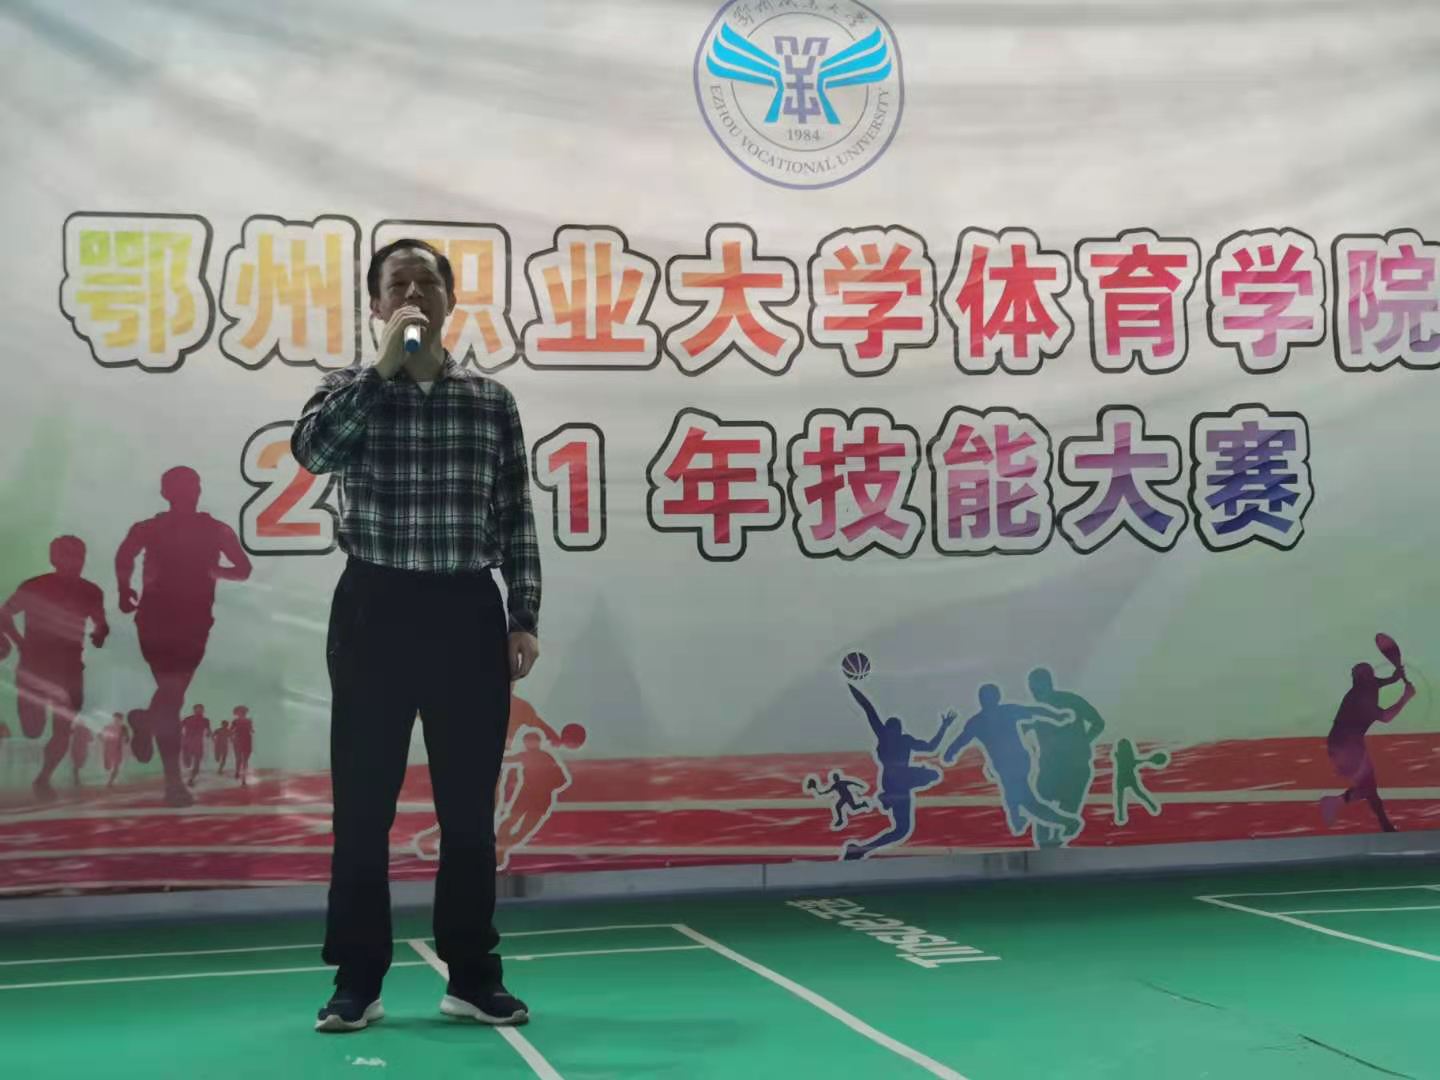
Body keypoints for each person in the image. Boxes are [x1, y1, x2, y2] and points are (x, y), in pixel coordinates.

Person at [292, 238, 541, 1034]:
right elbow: (311, 452)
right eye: (396, 283)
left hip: (466, 611)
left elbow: (515, 512)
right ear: (375, 305)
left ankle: (472, 975)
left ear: (448, 300)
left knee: (467, 810)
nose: (412, 293)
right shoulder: (347, 390)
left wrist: (523, 613)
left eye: (425, 282)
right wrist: (383, 371)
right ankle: (357, 981)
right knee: (364, 805)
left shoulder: (491, 401)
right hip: (375, 607)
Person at [116, 467, 251, 807]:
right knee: (173, 696)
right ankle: (173, 782)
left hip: (189, 621)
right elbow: (125, 554)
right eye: (182, 485)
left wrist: (214, 571)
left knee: (170, 696)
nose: (189, 490)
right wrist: (123, 588)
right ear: (166, 492)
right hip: (162, 620)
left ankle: (148, 723)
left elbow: (243, 568)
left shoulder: (213, 529)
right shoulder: (154, 527)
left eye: (192, 484)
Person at [0, 536, 109, 803]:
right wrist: (19, 642)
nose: (74, 562)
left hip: (70, 669)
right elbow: (4, 614)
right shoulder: (34, 586)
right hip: (34, 667)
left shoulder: (91, 591)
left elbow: (101, 622)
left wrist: (100, 633)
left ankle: (43, 778)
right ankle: (42, 773)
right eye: (67, 556)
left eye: (79, 556)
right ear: (54, 559)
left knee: (63, 729)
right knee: (33, 729)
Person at [943, 684, 1083, 842]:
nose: (987, 700)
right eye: (985, 697)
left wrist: (1057, 716)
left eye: (989, 697)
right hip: (1005, 767)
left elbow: (1034, 711)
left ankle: (1068, 823)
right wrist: (950, 753)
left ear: (995, 698)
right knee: (1012, 797)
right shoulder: (979, 721)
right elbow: (961, 740)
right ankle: (1019, 823)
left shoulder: (1003, 712)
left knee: (1027, 802)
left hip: (1018, 764)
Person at [842, 684, 954, 860]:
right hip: (898, 783)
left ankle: (862, 849)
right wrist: (853, 688)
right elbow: (869, 709)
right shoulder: (890, 737)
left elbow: (930, 747)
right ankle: (862, 848)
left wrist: (944, 727)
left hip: (899, 781)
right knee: (902, 829)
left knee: (902, 829)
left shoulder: (894, 738)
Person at [1321, 661, 1415, 833]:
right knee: (1368, 788)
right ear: (1362, 679)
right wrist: (1405, 698)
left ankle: (1385, 826)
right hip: (1347, 746)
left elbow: (1381, 682)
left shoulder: (1366, 686)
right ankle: (1335, 802)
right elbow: (1386, 717)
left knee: (1369, 787)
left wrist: (1395, 677)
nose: (1373, 677)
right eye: (1369, 674)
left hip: (1346, 744)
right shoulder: (1361, 698)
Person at [1026, 668, 1106, 848]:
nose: (1035, 693)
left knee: (1066, 824)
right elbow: (1017, 732)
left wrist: (1083, 742)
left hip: (1075, 769)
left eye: (1038, 688)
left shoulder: (1072, 701)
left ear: (1049, 685)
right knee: (1042, 822)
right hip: (1049, 771)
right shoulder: (1034, 711)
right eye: (1032, 689)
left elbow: (1098, 723)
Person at [804, 771, 872, 829]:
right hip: (844, 797)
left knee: (851, 807)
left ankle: (862, 805)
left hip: (848, 796)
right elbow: (828, 791)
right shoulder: (835, 785)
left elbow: (852, 782)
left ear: (838, 778)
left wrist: (860, 785)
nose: (835, 778)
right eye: (834, 777)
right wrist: (820, 793)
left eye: (836, 777)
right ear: (834, 779)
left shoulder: (842, 782)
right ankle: (841, 819)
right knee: (842, 807)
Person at [180, 705, 212, 787]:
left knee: (196, 763)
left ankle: (191, 779)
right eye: (197, 710)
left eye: (200, 710)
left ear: (203, 711)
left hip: (197, 744)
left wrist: (209, 734)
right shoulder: (187, 719)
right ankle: (190, 776)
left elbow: (209, 731)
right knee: (187, 764)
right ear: (194, 710)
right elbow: (178, 728)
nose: (199, 712)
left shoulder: (205, 721)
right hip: (187, 743)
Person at [101, 712, 128, 786]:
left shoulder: (123, 728)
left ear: (121, 720)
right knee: (108, 766)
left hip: (117, 750)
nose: (116, 720)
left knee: (116, 766)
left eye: (118, 719)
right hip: (108, 749)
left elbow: (127, 739)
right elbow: (102, 737)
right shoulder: (107, 727)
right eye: (115, 718)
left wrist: (124, 739)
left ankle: (110, 781)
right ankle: (112, 780)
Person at [230, 707, 255, 785]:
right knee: (239, 758)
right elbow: (231, 730)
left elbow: (251, 729)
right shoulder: (235, 721)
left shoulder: (248, 721)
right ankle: (238, 772)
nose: (242, 713)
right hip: (238, 740)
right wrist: (232, 737)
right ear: (237, 713)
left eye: (243, 712)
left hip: (246, 740)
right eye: (240, 712)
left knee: (245, 759)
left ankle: (243, 777)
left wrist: (251, 729)